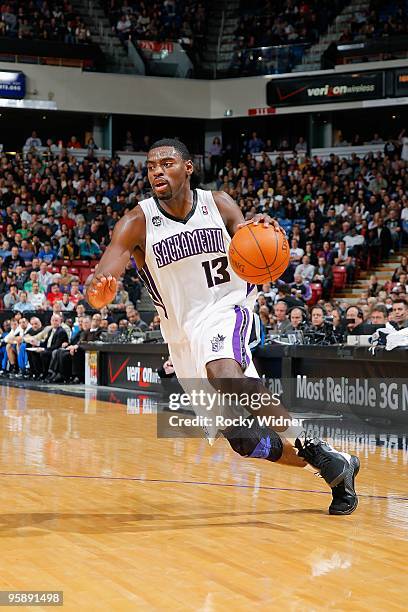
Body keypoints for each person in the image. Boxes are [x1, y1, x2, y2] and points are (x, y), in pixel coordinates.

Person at [86, 138, 359, 516]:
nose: (157, 171)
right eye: (151, 166)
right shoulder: (137, 222)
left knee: (225, 374)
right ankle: (335, 462)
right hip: (182, 337)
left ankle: (310, 444)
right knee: (244, 440)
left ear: (188, 168)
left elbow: (251, 235)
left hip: (227, 308)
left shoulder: (218, 204)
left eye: (166, 163)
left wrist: (262, 225)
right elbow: (102, 278)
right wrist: (99, 293)